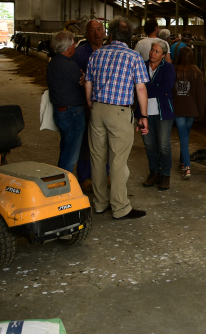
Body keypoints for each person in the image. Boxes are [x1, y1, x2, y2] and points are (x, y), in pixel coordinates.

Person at [85, 16, 149, 220]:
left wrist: (91, 105)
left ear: (110, 35)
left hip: (97, 109)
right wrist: (144, 115)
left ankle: (100, 203)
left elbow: (88, 83)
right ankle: (120, 207)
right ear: (129, 37)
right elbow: (140, 87)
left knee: (97, 158)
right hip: (120, 112)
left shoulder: (97, 55)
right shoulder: (133, 57)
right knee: (118, 160)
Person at [135, 39, 175, 190]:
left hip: (163, 112)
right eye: (152, 50)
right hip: (144, 112)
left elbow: (165, 88)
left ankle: (165, 174)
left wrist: (144, 88)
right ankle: (154, 172)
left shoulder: (168, 68)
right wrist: (148, 88)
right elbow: (136, 86)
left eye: (157, 51)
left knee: (163, 145)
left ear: (163, 55)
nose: (153, 53)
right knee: (149, 144)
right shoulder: (142, 65)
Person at [73, 19, 106, 193]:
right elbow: (73, 76)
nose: (96, 33)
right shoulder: (79, 53)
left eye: (99, 29)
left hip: (105, 104)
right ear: (86, 34)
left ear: (104, 32)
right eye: (92, 30)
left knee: (105, 142)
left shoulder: (109, 52)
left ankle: (105, 175)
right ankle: (85, 177)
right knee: (86, 143)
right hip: (85, 106)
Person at [46, 31, 86, 174]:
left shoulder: (53, 62)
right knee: (70, 155)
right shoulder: (69, 65)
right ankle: (61, 186)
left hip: (61, 112)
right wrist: (84, 78)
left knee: (66, 148)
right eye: (74, 43)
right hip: (72, 113)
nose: (75, 45)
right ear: (68, 48)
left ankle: (60, 181)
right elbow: (82, 85)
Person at [172, 46, 206, 180]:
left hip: (179, 109)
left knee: (183, 137)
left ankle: (187, 166)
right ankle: (182, 161)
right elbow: (200, 95)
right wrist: (200, 113)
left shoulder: (174, 71)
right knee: (185, 136)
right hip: (192, 110)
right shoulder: (196, 73)